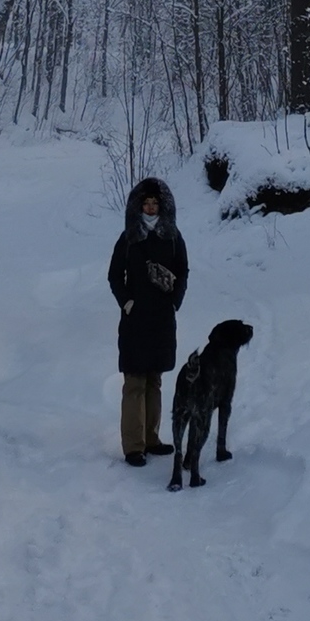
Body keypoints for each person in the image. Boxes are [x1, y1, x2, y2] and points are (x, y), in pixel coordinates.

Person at [107, 176, 188, 465]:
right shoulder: (129, 237)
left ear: (163, 206)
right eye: (147, 203)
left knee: (154, 380)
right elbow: (115, 275)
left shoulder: (173, 236)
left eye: (155, 203)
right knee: (135, 381)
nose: (151, 207)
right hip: (135, 320)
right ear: (138, 205)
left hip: (162, 319)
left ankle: (152, 439)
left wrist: (175, 301)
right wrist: (127, 302)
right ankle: (133, 446)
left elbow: (183, 271)